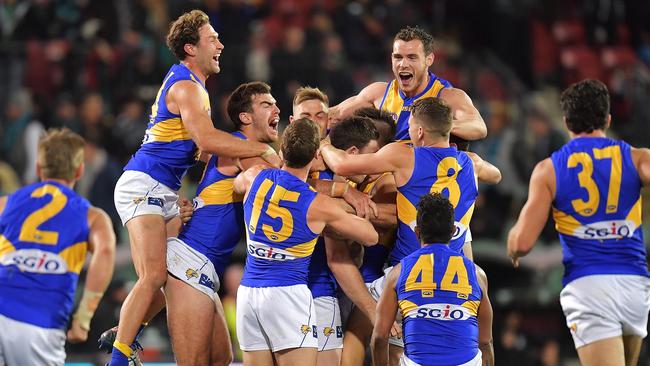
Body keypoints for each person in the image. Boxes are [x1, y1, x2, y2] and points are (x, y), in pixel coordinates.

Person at [109, 10, 279, 365]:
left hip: (166, 192)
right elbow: (206, 139)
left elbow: (201, 148)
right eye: (211, 38)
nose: (220, 44)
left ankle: (129, 326)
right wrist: (264, 149)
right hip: (145, 182)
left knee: (217, 355)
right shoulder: (187, 87)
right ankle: (120, 353)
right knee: (155, 274)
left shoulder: (192, 87)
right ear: (190, 48)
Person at [320, 97, 478, 364]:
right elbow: (495, 174)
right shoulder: (472, 166)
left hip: (410, 274)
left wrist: (323, 142)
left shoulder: (405, 155)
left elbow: (342, 165)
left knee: (364, 327)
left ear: (418, 131)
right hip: (455, 279)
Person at [507, 79, 650, 366]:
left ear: (566, 122)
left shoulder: (549, 169)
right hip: (634, 283)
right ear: (608, 119)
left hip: (589, 284)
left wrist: (513, 250)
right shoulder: (638, 158)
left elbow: (523, 242)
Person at [233, 118, 378, 366]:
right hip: (288, 295)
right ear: (315, 157)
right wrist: (341, 203)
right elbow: (371, 236)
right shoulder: (317, 205)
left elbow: (237, 186)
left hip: (248, 295)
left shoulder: (256, 177)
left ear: (281, 150)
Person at [164, 81, 281, 365]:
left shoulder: (240, 147)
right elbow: (286, 185)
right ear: (245, 117)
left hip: (203, 268)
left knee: (220, 359)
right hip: (190, 264)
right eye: (267, 104)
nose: (277, 108)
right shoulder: (242, 147)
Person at [0, 128, 116, 365]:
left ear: (38, 168)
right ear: (80, 169)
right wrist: (82, 319)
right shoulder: (92, 217)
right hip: (41, 323)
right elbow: (105, 252)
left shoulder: (5, 204)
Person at [371, 192, 494, 366]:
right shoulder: (477, 274)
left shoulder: (398, 273)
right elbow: (485, 341)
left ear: (417, 232)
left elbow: (379, 337)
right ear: (453, 231)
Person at [329, 26, 486, 142]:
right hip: (383, 174)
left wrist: (438, 126)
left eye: (412, 57)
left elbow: (479, 127)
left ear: (429, 60)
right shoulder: (378, 92)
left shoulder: (446, 95)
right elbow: (333, 115)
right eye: (398, 57)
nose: (403, 64)